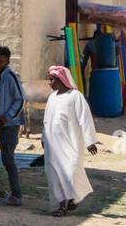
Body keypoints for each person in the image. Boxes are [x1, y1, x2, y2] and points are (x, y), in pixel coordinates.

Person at [41, 65, 99, 217]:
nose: (49, 83)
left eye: (51, 80)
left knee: (72, 170)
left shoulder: (75, 96)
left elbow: (84, 119)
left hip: (70, 143)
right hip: (52, 145)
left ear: (60, 80)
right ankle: (62, 205)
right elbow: (46, 120)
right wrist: (43, 137)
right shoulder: (51, 98)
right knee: (54, 174)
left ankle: (74, 197)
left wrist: (90, 141)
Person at [0, 46, 27, 206]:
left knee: (8, 159)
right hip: (2, 125)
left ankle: (17, 195)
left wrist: (8, 116)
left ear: (8, 61)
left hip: (11, 125)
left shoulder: (10, 76)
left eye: (1, 61)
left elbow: (20, 100)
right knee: (5, 159)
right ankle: (14, 193)